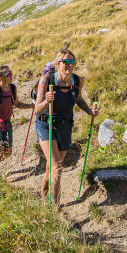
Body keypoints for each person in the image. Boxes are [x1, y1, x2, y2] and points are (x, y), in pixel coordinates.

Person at [33, 49, 99, 205]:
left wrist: (89, 111)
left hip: (65, 127)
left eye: (72, 62)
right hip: (46, 125)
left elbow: (79, 99)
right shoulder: (46, 80)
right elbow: (37, 109)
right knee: (57, 169)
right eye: (66, 62)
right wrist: (46, 101)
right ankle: (55, 208)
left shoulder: (76, 81)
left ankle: (43, 192)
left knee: (53, 167)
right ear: (57, 64)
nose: (70, 65)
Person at [0, 65, 33, 169]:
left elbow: (17, 104)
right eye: (8, 74)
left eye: (11, 72)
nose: (11, 75)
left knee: (8, 153)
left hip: (7, 125)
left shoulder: (12, 88)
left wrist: (31, 106)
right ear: (0, 77)